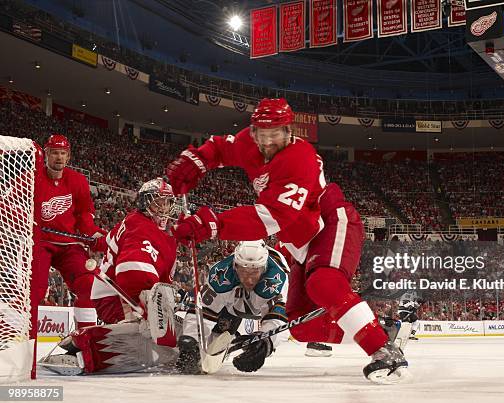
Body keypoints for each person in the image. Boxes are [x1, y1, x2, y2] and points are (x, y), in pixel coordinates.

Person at [165, 98, 408, 384]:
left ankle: (383, 351)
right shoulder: (249, 142)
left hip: (331, 222)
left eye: (276, 134)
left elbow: (273, 217)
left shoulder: (299, 158)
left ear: (289, 131)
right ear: (253, 132)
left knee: (324, 284)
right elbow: (221, 147)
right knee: (302, 326)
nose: (268, 142)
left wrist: (212, 225)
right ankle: (385, 331)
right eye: (262, 134)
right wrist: (198, 160)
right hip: (300, 243)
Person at [40, 178, 180, 375]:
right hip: (116, 294)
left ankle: (83, 342)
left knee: (150, 335)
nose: (164, 207)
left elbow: (161, 283)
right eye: (159, 201)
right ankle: (83, 349)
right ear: (145, 202)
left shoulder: (157, 234)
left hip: (125, 293)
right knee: (141, 336)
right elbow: (132, 273)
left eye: (167, 202)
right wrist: (147, 308)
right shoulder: (140, 225)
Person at [177, 239, 290, 375]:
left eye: (254, 272)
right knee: (214, 343)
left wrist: (266, 342)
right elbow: (204, 311)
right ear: (235, 266)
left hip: (259, 300)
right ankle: (225, 335)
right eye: (244, 271)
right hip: (233, 304)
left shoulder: (276, 279)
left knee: (254, 340)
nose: (249, 279)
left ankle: (230, 335)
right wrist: (191, 340)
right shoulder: (221, 274)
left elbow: (279, 316)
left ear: (264, 268)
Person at [32, 134, 106, 331]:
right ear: (45, 154)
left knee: (89, 283)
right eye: (54, 152)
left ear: (68, 157)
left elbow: (84, 214)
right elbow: (11, 203)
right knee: (34, 290)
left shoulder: (78, 180)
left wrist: (92, 234)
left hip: (69, 244)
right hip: (40, 242)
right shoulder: (32, 177)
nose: (58, 157)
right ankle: (25, 343)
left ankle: (86, 337)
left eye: (62, 153)